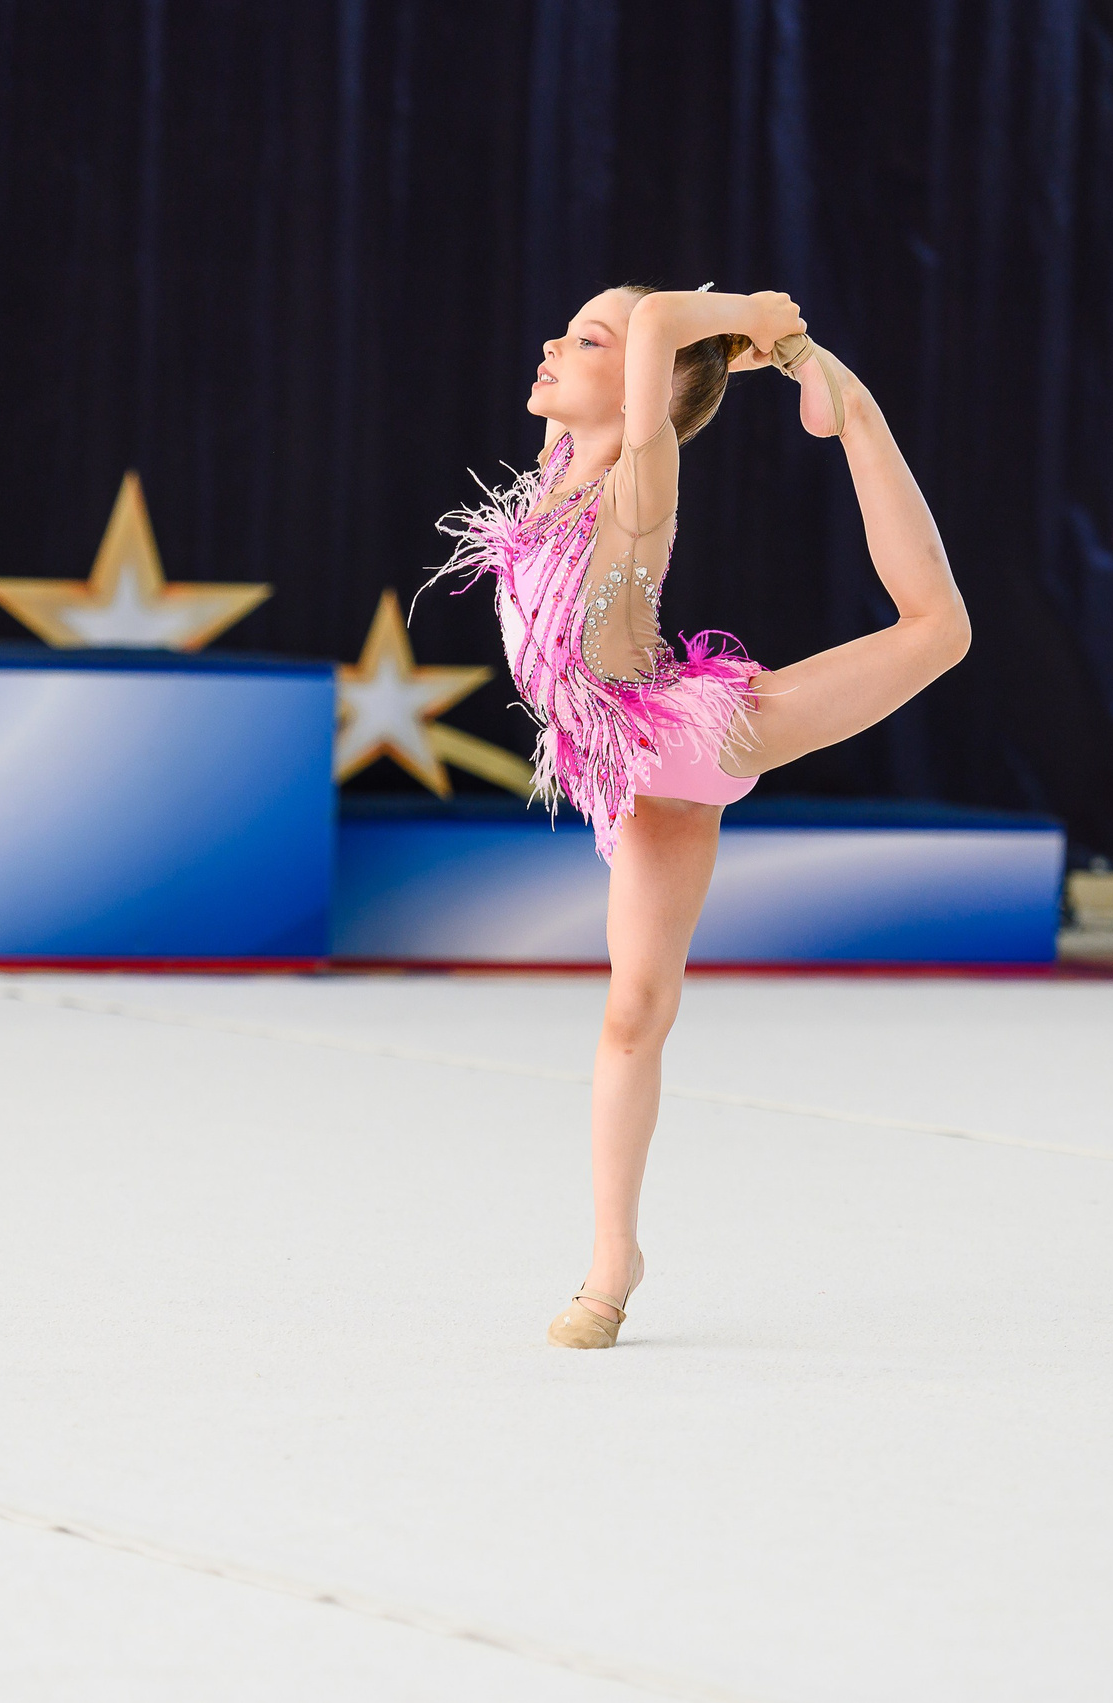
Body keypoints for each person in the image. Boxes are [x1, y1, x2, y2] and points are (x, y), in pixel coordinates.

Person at [426, 284, 971, 1348]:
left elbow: (663, 361)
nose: (549, 341)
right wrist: (740, 346)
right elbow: (668, 349)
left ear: (647, 385)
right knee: (633, 1008)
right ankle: (612, 1257)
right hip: (632, 768)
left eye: (587, 339)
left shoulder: (637, 480)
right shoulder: (554, 475)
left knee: (937, 629)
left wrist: (756, 318)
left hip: (691, 734)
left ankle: (854, 408)